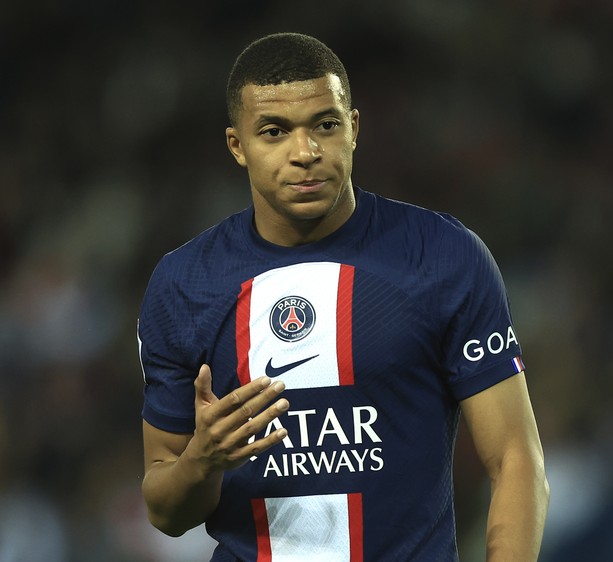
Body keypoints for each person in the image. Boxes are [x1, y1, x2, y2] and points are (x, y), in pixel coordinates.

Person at [138, 32, 549, 561]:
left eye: (325, 125)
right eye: (274, 131)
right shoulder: (183, 284)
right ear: (237, 146)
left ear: (353, 129)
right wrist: (203, 460)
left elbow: (516, 458)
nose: (304, 152)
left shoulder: (444, 257)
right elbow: (166, 513)